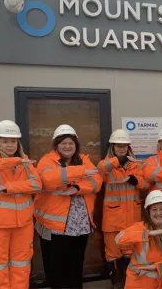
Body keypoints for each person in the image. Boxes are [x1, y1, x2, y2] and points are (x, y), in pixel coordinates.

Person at [34, 124, 103, 289]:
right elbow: (49, 181)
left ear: (76, 145)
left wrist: (78, 188)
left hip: (79, 225)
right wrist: (82, 172)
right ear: (56, 145)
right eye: (63, 143)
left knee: (76, 265)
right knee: (55, 268)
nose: (67, 146)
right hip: (54, 227)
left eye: (71, 143)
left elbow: (96, 181)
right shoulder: (47, 161)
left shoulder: (84, 160)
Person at [0, 120, 41, 289]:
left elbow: (36, 185)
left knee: (21, 266)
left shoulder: (26, 164)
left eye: (13, 141)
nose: (10, 145)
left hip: (23, 225)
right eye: (5, 141)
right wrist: (14, 161)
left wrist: (8, 187)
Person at [97, 129, 148, 288]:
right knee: (112, 254)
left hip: (132, 219)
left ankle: (129, 283)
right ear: (112, 147)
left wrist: (136, 181)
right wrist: (118, 160)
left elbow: (147, 184)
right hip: (113, 219)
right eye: (118, 146)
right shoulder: (106, 164)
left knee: (130, 252)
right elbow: (101, 169)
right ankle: (117, 283)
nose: (122, 149)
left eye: (124, 146)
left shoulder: (135, 164)